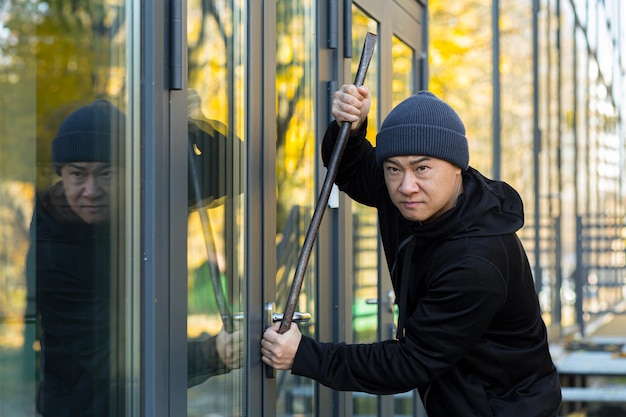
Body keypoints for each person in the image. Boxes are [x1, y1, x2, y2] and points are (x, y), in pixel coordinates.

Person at [261, 85, 562, 416]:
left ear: (457, 166)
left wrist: (304, 354)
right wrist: (352, 126)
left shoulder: (476, 259)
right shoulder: (417, 200)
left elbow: (409, 361)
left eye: (422, 168)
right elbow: (351, 170)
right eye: (393, 168)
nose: (406, 185)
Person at [27, 99, 241, 417]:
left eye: (107, 173)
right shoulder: (53, 247)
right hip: (80, 407)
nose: (91, 190)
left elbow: (232, 170)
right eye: (77, 174)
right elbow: (110, 359)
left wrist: (192, 125)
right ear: (62, 174)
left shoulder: (138, 199)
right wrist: (211, 354)